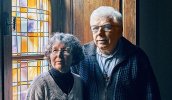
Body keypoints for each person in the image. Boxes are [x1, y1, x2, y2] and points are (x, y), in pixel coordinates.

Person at [71, 6, 161, 100]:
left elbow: (151, 95)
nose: (100, 33)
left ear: (120, 30)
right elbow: (69, 92)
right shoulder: (80, 56)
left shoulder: (137, 57)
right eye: (95, 28)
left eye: (106, 27)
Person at [26, 32, 84, 100]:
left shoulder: (79, 82)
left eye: (65, 50)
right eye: (55, 50)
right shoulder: (39, 83)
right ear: (49, 55)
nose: (59, 55)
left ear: (74, 56)